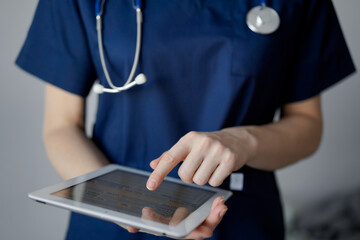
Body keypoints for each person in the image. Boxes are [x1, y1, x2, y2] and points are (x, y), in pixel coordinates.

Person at [16, 0, 355, 239]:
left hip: (238, 218)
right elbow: (61, 126)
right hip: (112, 219)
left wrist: (244, 142)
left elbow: (306, 125)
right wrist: (120, 203)